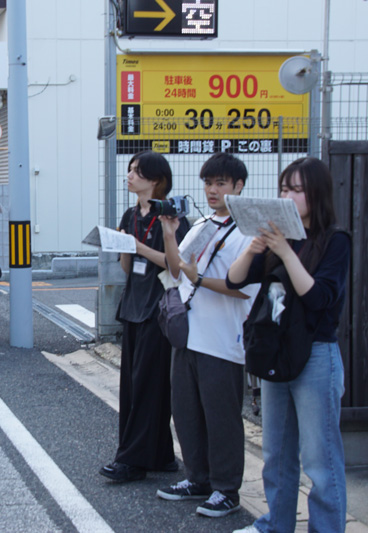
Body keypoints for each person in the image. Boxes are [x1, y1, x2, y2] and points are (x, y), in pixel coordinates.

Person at [228, 157, 350, 533]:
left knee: (320, 457)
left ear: (316, 194)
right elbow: (235, 281)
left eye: (296, 189)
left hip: (316, 355)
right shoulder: (277, 238)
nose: (287, 195)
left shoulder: (335, 240)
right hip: (275, 352)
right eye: (284, 188)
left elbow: (317, 298)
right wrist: (254, 248)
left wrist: (283, 251)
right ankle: (274, 525)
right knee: (277, 453)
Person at [156, 152, 258, 518]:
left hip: (223, 339)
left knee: (222, 417)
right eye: (208, 183)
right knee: (186, 412)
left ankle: (227, 488)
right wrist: (170, 233)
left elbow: (244, 288)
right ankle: (197, 478)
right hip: (189, 335)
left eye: (220, 183)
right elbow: (175, 267)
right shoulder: (200, 225)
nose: (212, 190)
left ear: (239, 186)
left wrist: (199, 278)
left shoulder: (249, 232)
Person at [99, 151, 189, 483]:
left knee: (149, 387)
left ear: (156, 179)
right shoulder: (130, 213)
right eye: (129, 170)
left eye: (137, 171)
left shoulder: (173, 215)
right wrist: (121, 244)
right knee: (133, 387)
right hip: (134, 306)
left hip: (160, 310)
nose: (130, 175)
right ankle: (161, 455)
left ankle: (132, 461)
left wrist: (139, 247)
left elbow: (176, 264)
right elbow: (127, 267)